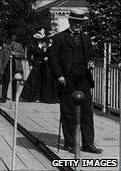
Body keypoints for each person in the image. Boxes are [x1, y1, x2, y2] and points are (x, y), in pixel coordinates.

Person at [48, 9, 102, 154]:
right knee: (68, 112)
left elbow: (93, 55)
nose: (79, 25)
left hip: (84, 79)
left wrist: (91, 62)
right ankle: (70, 143)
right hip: (67, 80)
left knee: (87, 113)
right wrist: (59, 76)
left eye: (81, 23)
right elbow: (53, 58)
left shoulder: (86, 38)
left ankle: (88, 144)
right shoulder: (60, 38)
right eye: (76, 22)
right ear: (70, 21)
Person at [0, 32, 24, 102]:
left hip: (16, 66)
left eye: (14, 36)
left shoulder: (19, 45)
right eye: (11, 36)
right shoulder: (5, 46)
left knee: (15, 82)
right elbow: (0, 57)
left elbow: (23, 55)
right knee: (5, 81)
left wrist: (15, 54)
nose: (12, 38)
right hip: (7, 66)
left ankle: (14, 97)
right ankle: (3, 98)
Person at [20, 28, 47, 102]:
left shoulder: (44, 45)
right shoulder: (33, 46)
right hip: (35, 64)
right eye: (39, 39)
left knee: (40, 81)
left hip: (42, 65)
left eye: (41, 38)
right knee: (33, 80)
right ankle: (29, 97)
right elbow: (29, 56)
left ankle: (38, 97)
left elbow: (45, 54)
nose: (40, 40)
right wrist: (30, 64)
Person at [40, 30, 59, 103]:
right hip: (48, 65)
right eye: (50, 38)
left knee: (53, 81)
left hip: (53, 64)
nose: (50, 40)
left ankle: (53, 98)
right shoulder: (49, 46)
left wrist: (48, 58)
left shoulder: (54, 46)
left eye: (52, 38)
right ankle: (48, 98)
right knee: (48, 80)